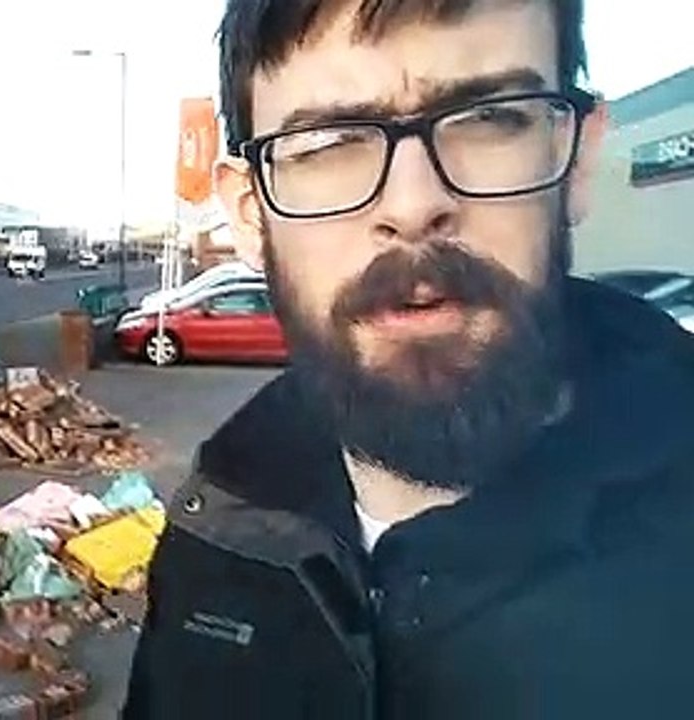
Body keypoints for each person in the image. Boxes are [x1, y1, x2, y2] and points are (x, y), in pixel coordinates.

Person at [123, 1, 694, 718]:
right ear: (249, 213)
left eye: (488, 119)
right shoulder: (214, 534)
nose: (414, 204)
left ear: (576, 159)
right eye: (329, 142)